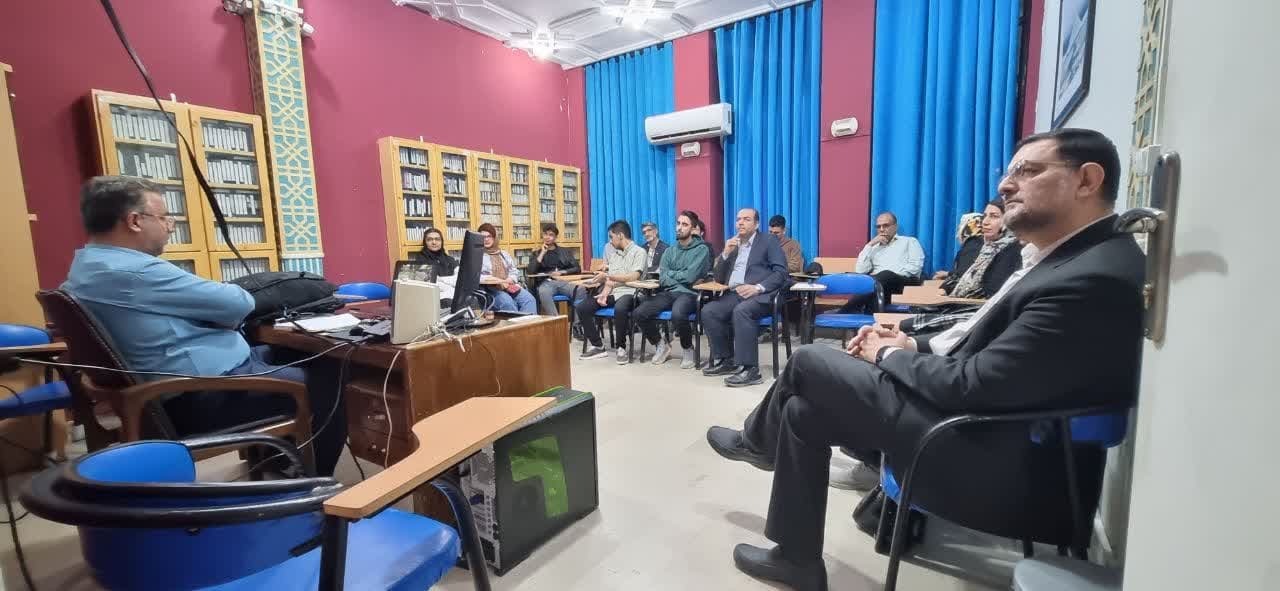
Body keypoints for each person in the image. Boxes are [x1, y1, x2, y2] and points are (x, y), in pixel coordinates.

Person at [704, 128, 1143, 591]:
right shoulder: (1069, 259)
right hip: (976, 426)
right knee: (800, 411)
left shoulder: (1090, 277)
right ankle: (796, 559)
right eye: (1010, 173)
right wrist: (912, 342)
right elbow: (980, 335)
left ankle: (758, 443)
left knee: (809, 360)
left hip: (985, 454)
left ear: (1087, 180)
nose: (1005, 185)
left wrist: (887, 352)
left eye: (1028, 171)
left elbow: (973, 385)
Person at [61, 177, 346, 476]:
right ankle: (316, 482)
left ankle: (278, 462)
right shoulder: (135, 271)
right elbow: (238, 303)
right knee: (333, 378)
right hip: (199, 395)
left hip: (167, 391)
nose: (170, 227)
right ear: (134, 221)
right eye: (164, 218)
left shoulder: (86, 268)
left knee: (313, 356)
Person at [701, 208, 790, 387]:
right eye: (738, 219)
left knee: (742, 311)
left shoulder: (768, 241)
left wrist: (757, 288)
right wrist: (725, 254)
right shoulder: (734, 244)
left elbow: (781, 273)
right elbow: (719, 278)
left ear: (756, 224)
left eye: (746, 219)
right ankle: (727, 360)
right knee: (709, 311)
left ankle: (751, 370)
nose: (740, 222)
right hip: (735, 293)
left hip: (762, 294)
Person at [632, 211, 712, 370]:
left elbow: (691, 277)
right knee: (639, 313)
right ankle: (660, 344)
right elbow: (663, 277)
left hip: (690, 293)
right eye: (678, 223)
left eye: (685, 224)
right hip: (669, 292)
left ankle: (688, 348)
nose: (679, 227)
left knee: (678, 313)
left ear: (693, 228)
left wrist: (672, 274)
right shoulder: (670, 250)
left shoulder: (702, 250)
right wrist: (680, 275)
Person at [575, 220, 647, 363]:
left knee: (620, 307)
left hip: (632, 292)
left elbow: (634, 276)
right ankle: (598, 346)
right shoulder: (614, 255)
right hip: (615, 292)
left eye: (611, 237)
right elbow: (609, 282)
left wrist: (608, 276)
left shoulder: (639, 252)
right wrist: (604, 294)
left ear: (620, 235)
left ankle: (621, 347)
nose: (610, 241)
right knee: (583, 307)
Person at [840, 212, 925, 314]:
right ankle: (867, 321)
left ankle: (844, 312)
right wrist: (869, 245)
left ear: (895, 227)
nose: (881, 229)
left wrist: (889, 275)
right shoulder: (874, 247)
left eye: (885, 225)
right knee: (874, 292)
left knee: (885, 275)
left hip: (904, 283)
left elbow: (915, 267)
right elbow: (860, 270)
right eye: (878, 226)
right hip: (880, 286)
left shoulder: (909, 241)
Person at [935, 199, 1020, 298]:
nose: (985, 222)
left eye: (994, 216)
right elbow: (962, 276)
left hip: (975, 306)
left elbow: (992, 293)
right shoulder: (988, 247)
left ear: (1009, 220)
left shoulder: (1013, 250)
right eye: (985, 216)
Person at [477, 223, 537, 314]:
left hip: (509, 286)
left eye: (489, 236)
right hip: (490, 290)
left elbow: (514, 271)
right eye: (483, 237)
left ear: (494, 237)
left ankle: (527, 323)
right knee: (508, 303)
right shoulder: (476, 256)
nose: (486, 239)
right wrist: (498, 281)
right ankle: (515, 323)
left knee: (529, 300)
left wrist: (509, 280)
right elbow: (475, 276)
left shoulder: (504, 254)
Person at [527, 224, 582, 315]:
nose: (547, 237)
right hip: (546, 283)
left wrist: (562, 272)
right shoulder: (536, 253)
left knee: (580, 289)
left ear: (555, 237)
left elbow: (577, 268)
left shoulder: (564, 251)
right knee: (543, 292)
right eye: (545, 234)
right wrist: (542, 253)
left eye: (551, 235)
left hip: (563, 282)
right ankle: (556, 320)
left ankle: (577, 322)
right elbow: (530, 271)